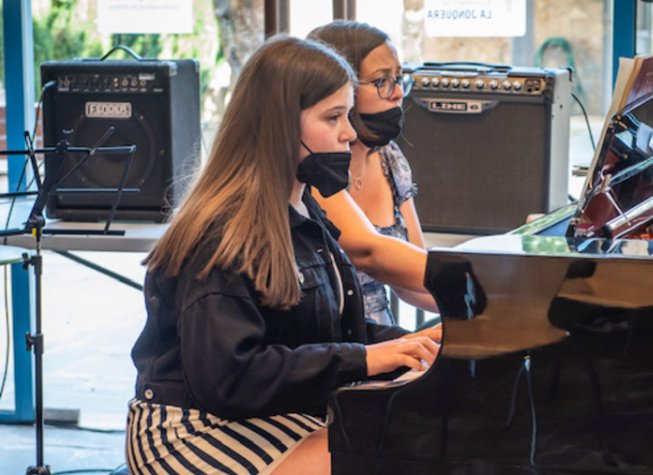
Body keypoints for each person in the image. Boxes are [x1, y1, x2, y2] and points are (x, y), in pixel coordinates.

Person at [125, 35, 441, 475]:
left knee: (416, 438)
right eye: (334, 118)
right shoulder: (222, 233)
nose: (350, 133)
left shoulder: (302, 208)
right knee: (381, 455)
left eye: (348, 115)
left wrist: (409, 346)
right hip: (196, 429)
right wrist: (365, 359)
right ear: (281, 125)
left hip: (260, 413)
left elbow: (321, 330)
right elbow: (228, 378)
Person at [307, 21, 438, 326]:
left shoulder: (390, 158)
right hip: (338, 347)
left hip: (382, 339)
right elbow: (371, 254)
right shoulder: (314, 167)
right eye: (382, 81)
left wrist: (488, 309)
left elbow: (412, 279)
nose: (397, 94)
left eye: (399, 78)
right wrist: (480, 277)